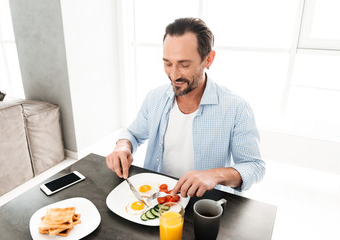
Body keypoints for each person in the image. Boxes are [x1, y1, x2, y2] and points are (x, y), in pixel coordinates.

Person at [106, 17, 265, 197]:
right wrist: (123, 146)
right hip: (156, 198)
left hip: (203, 206)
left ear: (209, 59)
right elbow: (133, 134)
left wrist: (215, 175)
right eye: (167, 63)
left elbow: (254, 166)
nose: (173, 75)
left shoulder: (236, 108)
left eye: (184, 65)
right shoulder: (155, 98)